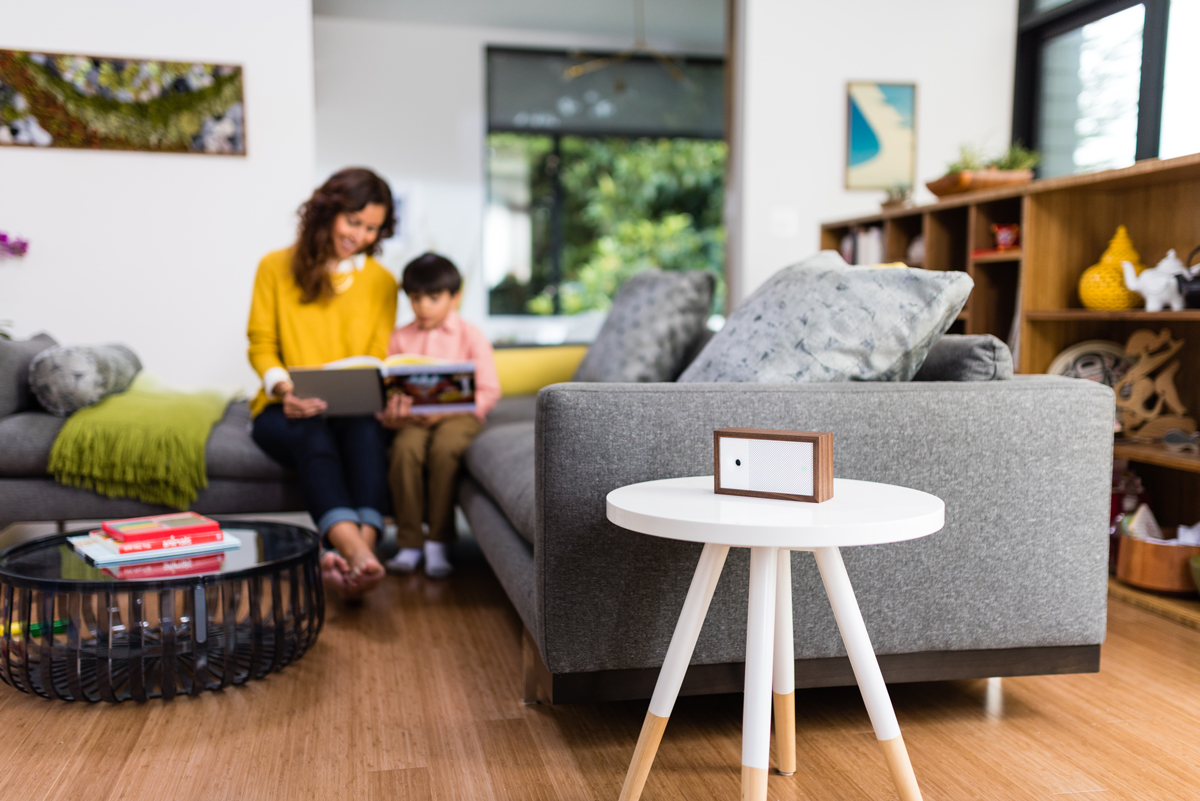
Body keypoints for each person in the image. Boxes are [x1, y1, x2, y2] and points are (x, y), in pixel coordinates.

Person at [247, 167, 398, 598]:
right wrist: (284, 390)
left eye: (372, 229)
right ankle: (363, 556)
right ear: (327, 213)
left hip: (352, 409)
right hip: (283, 408)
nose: (361, 236)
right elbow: (261, 344)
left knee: (367, 432)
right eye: (353, 222)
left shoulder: (383, 282)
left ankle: (352, 561)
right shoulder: (274, 266)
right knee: (311, 432)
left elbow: (377, 356)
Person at [378, 253, 500, 578]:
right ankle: (409, 542)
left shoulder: (470, 335)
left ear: (454, 297)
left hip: (459, 416)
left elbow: (488, 389)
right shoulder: (400, 337)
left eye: (434, 298)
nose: (424, 307)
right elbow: (387, 387)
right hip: (414, 419)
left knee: (445, 451)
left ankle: (439, 542)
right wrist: (393, 412)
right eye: (416, 298)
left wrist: (446, 410)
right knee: (404, 451)